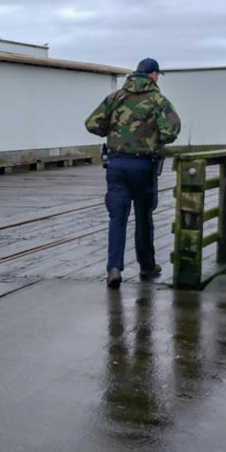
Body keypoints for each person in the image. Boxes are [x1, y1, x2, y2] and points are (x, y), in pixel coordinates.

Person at [85, 58, 181, 289]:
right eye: (158, 75)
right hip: (144, 165)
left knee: (117, 217)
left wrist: (114, 133)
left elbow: (92, 123)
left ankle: (114, 268)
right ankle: (146, 265)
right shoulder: (158, 100)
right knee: (143, 216)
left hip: (116, 164)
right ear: (153, 75)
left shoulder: (116, 97)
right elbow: (172, 129)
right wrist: (151, 139)